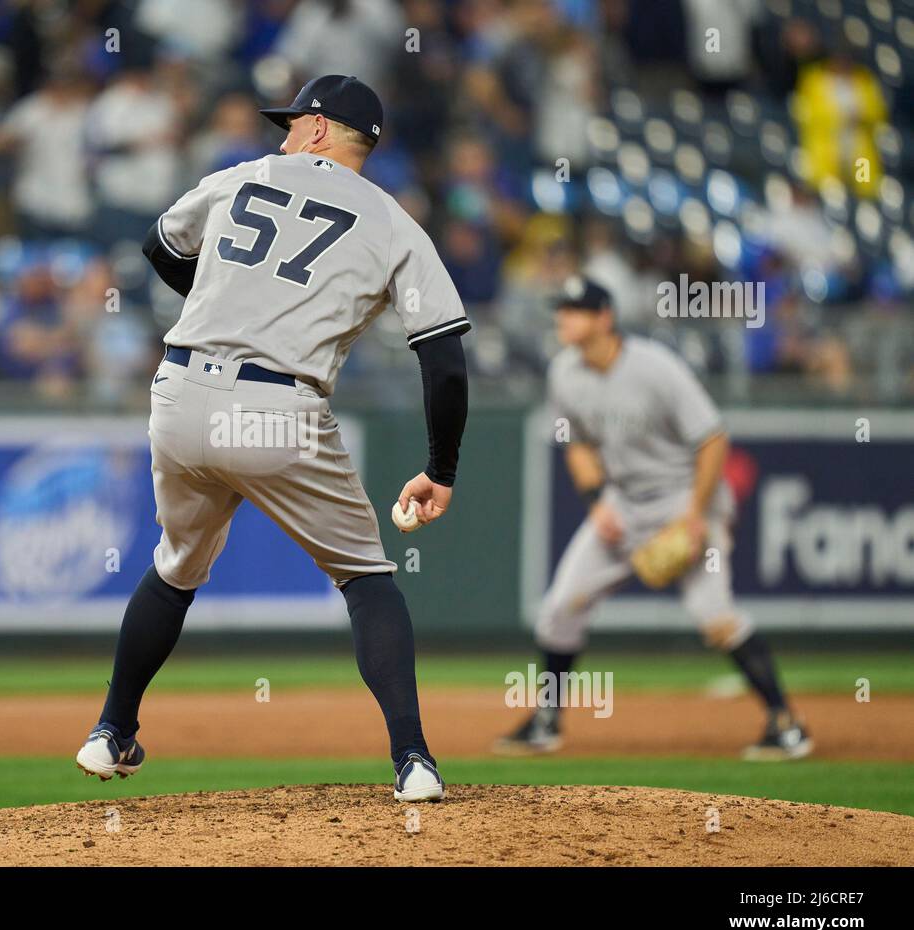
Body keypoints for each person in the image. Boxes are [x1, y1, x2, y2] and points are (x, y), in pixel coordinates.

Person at [74, 75, 471, 802]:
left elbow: (158, 245)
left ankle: (109, 731)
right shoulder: (392, 222)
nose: (284, 134)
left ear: (320, 130)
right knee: (365, 578)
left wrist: (226, 298)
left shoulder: (243, 176)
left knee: (174, 567)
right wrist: (440, 469)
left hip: (180, 392)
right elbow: (443, 358)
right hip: (275, 408)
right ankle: (413, 761)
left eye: (294, 122)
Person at [495, 276, 812, 760]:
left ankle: (786, 724)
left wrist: (694, 515)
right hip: (623, 503)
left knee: (715, 618)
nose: (564, 318)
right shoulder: (564, 371)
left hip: (684, 498)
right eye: (562, 309)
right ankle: (545, 720)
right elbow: (575, 441)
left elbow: (712, 439)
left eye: (575, 310)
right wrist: (597, 501)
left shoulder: (656, 368)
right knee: (560, 607)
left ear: (605, 318)